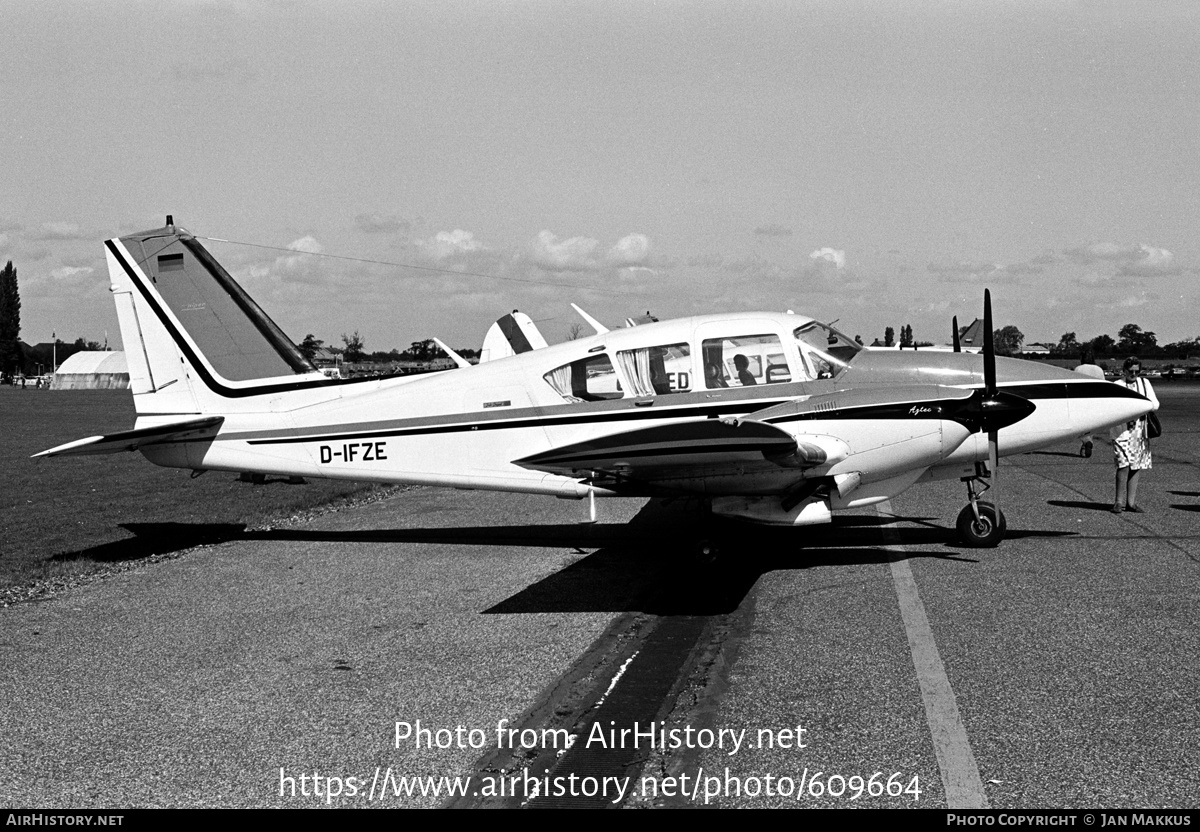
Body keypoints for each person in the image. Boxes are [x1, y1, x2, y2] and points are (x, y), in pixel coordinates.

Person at [1110, 356, 1159, 513]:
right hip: (1121, 431)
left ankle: (1131, 503)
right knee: (1122, 465)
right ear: (1124, 371)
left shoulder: (1144, 383)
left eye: (1137, 371)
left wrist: (1139, 405)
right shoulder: (1117, 385)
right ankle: (1118, 502)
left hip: (1139, 431)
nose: (1134, 374)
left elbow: (1155, 404)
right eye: (1130, 371)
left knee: (1136, 466)